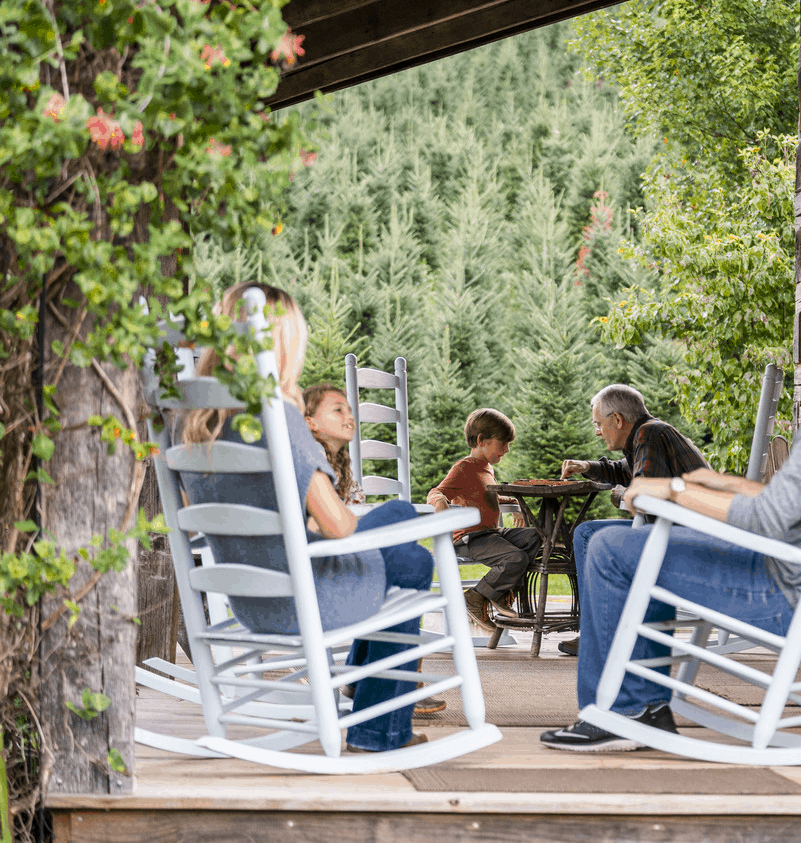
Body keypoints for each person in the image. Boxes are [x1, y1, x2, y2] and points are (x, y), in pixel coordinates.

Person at [540, 290, 801, 752]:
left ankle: (621, 711)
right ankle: (645, 707)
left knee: (612, 548)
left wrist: (675, 489)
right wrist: (726, 484)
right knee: (622, 543)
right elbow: (797, 502)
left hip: (786, 595)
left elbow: (767, 519)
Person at [178, 282, 431, 753]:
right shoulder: (278, 414)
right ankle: (377, 726)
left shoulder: (192, 423)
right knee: (409, 541)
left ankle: (366, 697)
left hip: (251, 605)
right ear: (283, 342)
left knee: (406, 556)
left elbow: (202, 520)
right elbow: (339, 525)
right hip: (307, 601)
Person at [302, 382, 446, 715]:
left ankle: (359, 672)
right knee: (403, 520)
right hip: (322, 566)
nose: (349, 416)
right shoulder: (308, 459)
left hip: (331, 558)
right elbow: (324, 528)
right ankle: (391, 679)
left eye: (350, 410)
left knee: (410, 550)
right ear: (310, 421)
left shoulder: (337, 464)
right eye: (338, 409)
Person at [556, 384, 709, 655]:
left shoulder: (648, 434)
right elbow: (625, 470)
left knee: (587, 534)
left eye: (598, 424)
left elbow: (643, 497)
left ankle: (597, 632)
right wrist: (587, 467)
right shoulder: (650, 433)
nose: (596, 431)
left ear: (617, 420)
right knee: (589, 533)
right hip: (680, 529)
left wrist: (618, 494)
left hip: (683, 538)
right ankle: (602, 627)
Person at [427, 408, 542, 632]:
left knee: (536, 536)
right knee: (516, 558)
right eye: (503, 443)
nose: (507, 449)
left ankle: (498, 592)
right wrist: (440, 501)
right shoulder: (463, 468)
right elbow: (436, 491)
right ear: (481, 440)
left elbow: (488, 497)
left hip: (490, 534)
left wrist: (516, 503)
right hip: (469, 538)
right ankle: (476, 596)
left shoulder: (487, 468)